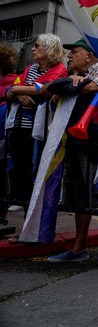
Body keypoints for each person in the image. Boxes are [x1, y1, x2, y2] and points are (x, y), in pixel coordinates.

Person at [45, 39, 98, 265]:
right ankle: (79, 247)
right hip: (76, 142)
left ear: (90, 56)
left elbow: (95, 87)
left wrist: (76, 83)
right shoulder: (74, 75)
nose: (69, 56)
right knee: (79, 194)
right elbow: (52, 87)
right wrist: (72, 82)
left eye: (75, 52)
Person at [4, 34, 67, 217]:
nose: (33, 48)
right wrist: (17, 93)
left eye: (37, 46)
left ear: (49, 50)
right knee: (19, 166)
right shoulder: (30, 69)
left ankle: (32, 212)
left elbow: (45, 89)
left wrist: (17, 89)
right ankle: (21, 202)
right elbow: (11, 90)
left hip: (40, 131)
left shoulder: (60, 70)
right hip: (19, 126)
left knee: (36, 168)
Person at [0, 44, 19, 227]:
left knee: (2, 170)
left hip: (3, 133)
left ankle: (1, 213)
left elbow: (12, 92)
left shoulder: (12, 80)